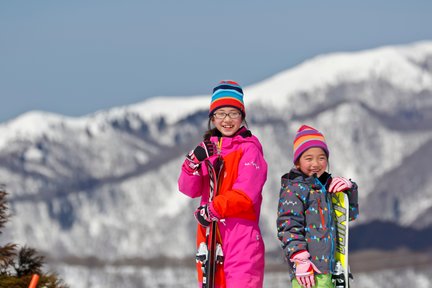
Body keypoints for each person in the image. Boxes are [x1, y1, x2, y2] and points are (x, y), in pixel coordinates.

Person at [178, 80, 268, 287]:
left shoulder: (249, 149)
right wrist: (191, 163)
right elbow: (189, 189)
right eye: (221, 113)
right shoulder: (208, 149)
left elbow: (246, 195)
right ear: (213, 117)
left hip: (241, 238)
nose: (227, 120)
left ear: (242, 117)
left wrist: (212, 209)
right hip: (210, 236)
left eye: (233, 113)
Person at [276, 125, 359, 288]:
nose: (316, 163)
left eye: (321, 158)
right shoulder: (294, 189)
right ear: (298, 162)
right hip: (308, 273)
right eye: (309, 158)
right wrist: (300, 259)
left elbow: (349, 215)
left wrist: (350, 190)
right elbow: (288, 226)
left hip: (330, 270)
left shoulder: (327, 188)